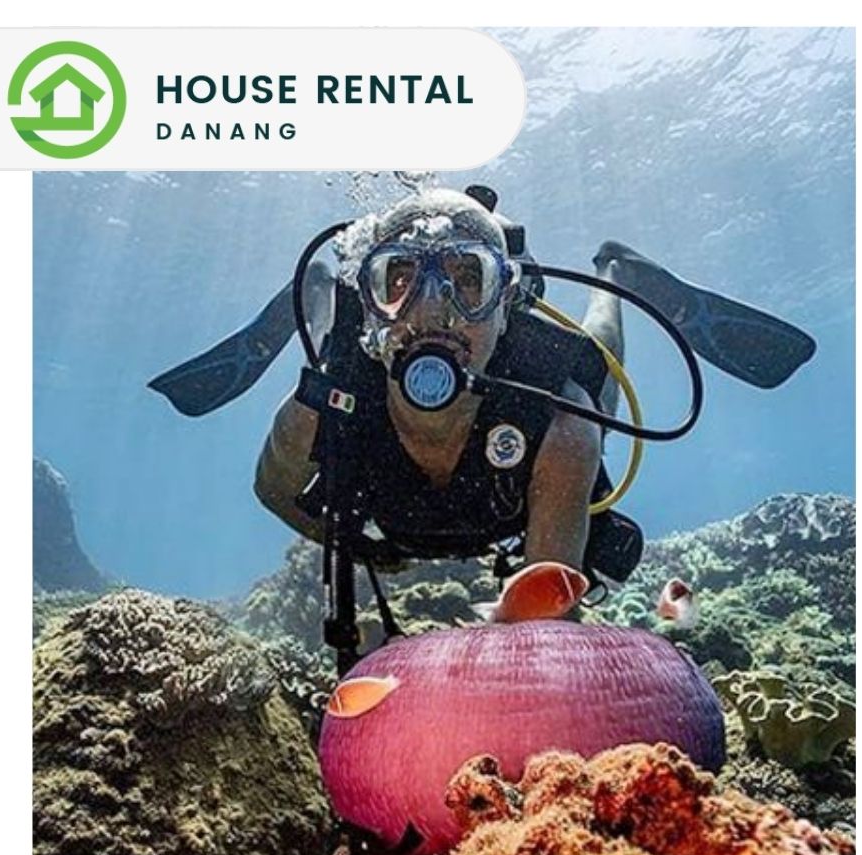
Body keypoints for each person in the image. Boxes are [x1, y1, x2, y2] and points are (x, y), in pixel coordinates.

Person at [254, 187, 622, 587]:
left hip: (527, 466)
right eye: (398, 279)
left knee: (602, 357)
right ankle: (317, 285)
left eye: (468, 279)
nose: (430, 313)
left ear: (504, 306)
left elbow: (548, 610)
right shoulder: (321, 410)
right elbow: (274, 490)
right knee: (330, 336)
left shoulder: (562, 426)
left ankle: (613, 268)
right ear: (370, 307)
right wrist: (358, 547)